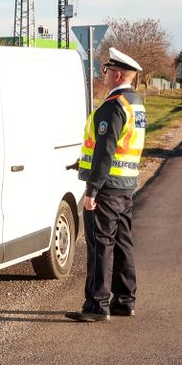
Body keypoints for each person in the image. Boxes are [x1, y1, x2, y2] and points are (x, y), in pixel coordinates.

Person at [66, 47, 146, 323]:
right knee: (123, 244)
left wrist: (91, 190)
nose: (104, 76)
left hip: (107, 187)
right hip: (125, 186)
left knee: (101, 245)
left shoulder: (113, 106)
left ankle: (97, 306)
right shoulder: (134, 103)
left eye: (107, 72)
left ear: (118, 74)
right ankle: (125, 300)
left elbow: (105, 151)